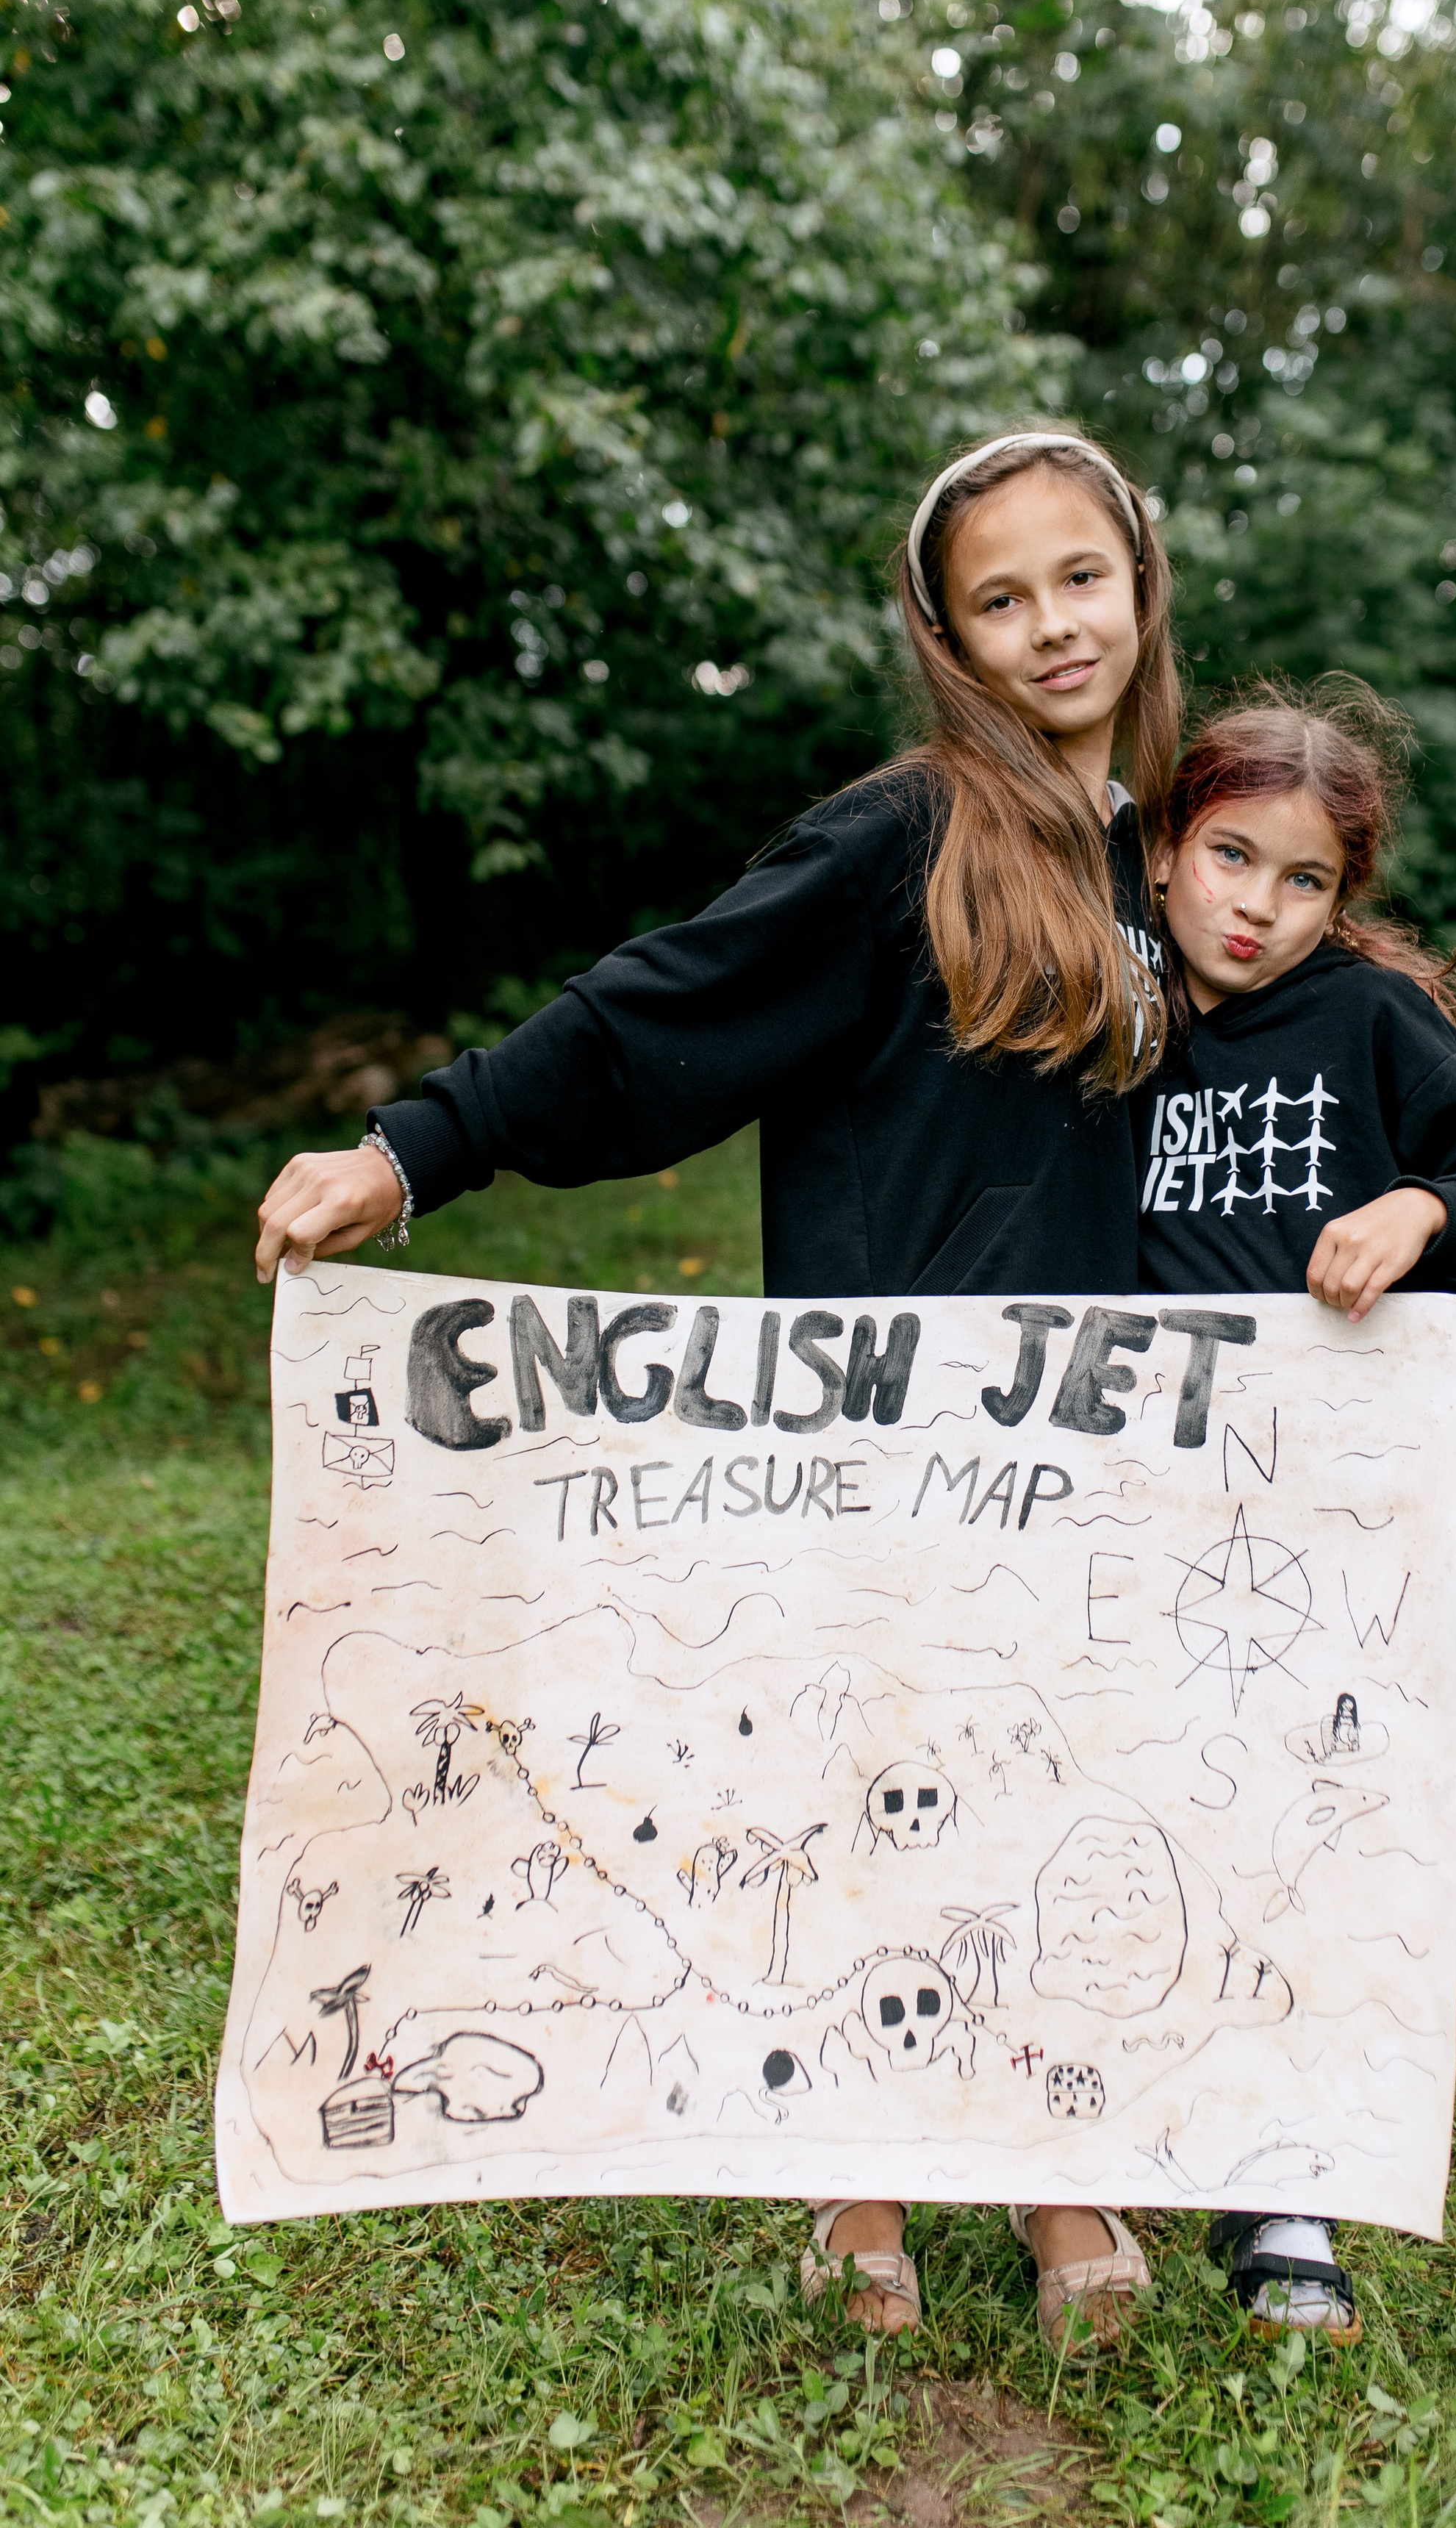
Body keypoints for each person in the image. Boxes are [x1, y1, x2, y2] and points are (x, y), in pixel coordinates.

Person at [254, 424, 1177, 2350]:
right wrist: (414, 1149)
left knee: (1041, 1779)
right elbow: (657, 1008)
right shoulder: (900, 835)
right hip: (880, 1423)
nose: (1051, 625)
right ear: (947, 632)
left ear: (1143, 579)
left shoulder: (1177, 856)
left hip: (1093, 1436)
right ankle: (857, 2177)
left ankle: (1046, 2163)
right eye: (1000, 598)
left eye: (1079, 578)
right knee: (867, 1790)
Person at [1133, 676, 1456, 2371]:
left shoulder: (1368, 1025)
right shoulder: (1116, 1029)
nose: (1256, 907)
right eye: (1227, 857)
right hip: (1176, 1541)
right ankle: (1279, 2179)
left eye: (1302, 882)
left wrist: (1422, 1204)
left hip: (1360, 1542)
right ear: (1158, 852)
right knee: (1228, 1862)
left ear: (1340, 902)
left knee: (1374, 1875)